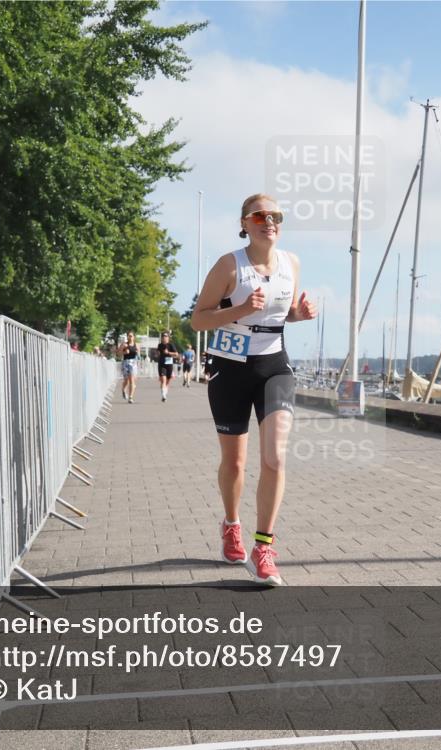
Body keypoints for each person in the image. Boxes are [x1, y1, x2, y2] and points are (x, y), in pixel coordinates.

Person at [191, 193, 317, 586]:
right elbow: (198, 320)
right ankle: (231, 524)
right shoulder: (229, 265)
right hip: (229, 368)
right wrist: (240, 310)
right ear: (245, 223)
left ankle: (263, 547)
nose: (270, 221)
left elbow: (283, 313)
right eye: (260, 215)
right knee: (236, 463)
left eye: (276, 215)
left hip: (273, 366)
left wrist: (300, 314)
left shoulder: (291, 263)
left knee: (275, 459)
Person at [156, 331, 179, 402]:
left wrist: (168, 352)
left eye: (166, 337)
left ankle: (164, 393)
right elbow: (157, 354)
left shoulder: (171, 345)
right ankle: (163, 395)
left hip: (169, 365)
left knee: (167, 382)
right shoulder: (160, 345)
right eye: (163, 337)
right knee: (163, 380)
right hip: (162, 365)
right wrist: (157, 353)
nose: (164, 338)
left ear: (168, 338)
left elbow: (176, 354)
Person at [119, 332, 140, 402]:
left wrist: (138, 363)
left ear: (134, 337)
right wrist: (124, 352)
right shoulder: (124, 344)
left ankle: (130, 397)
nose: (130, 337)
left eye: (131, 336)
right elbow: (118, 353)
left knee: (132, 380)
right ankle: (123, 389)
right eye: (129, 336)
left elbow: (138, 355)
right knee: (126, 380)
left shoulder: (137, 345)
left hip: (133, 363)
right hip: (125, 362)